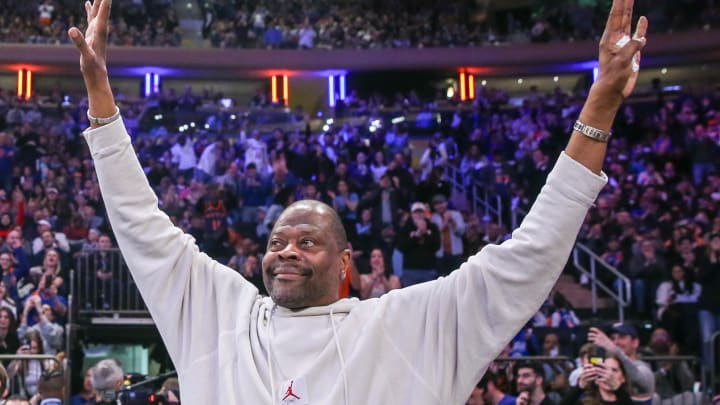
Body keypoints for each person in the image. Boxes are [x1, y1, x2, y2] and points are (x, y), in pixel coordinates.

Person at [68, 0, 648, 402]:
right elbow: (140, 222)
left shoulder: (409, 324)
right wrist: (100, 97)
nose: (285, 251)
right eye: (276, 242)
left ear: (346, 264)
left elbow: (533, 254)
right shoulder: (221, 315)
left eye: (307, 241)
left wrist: (597, 110)